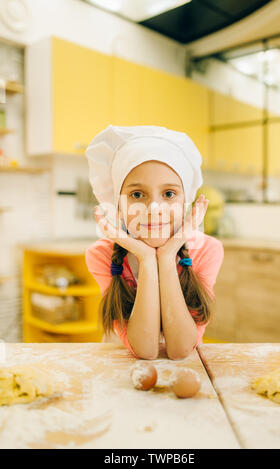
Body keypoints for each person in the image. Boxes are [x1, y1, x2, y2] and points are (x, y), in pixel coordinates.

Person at [85, 124, 224, 360]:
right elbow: (145, 350)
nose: (154, 209)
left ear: (185, 201)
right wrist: (147, 259)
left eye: (169, 194)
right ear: (118, 205)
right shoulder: (101, 255)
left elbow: (180, 350)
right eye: (137, 195)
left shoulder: (207, 250)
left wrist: (168, 256)